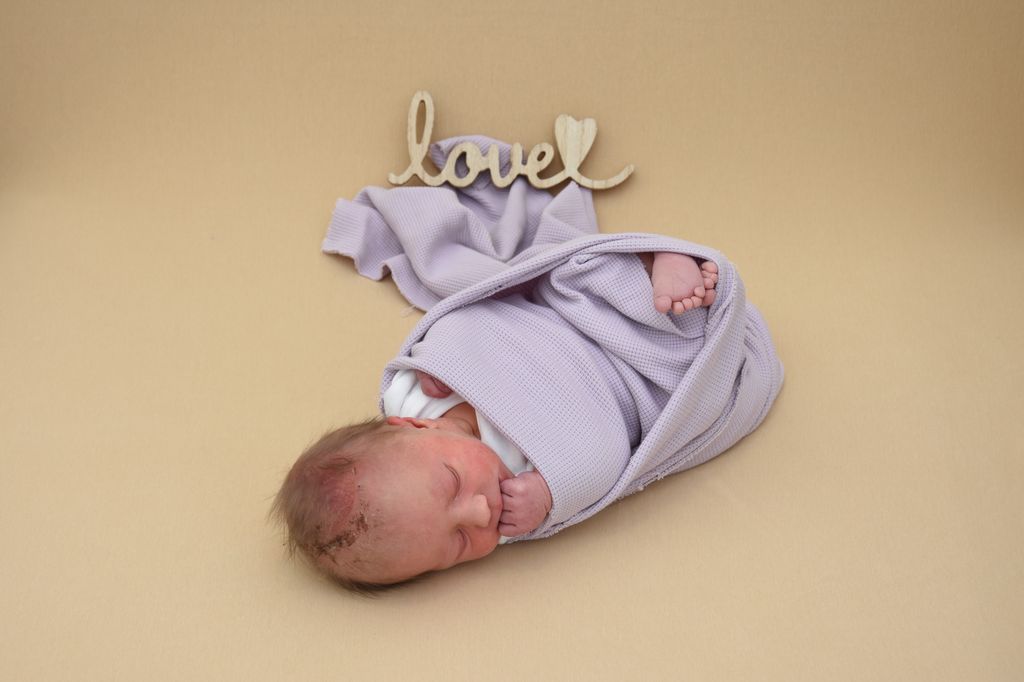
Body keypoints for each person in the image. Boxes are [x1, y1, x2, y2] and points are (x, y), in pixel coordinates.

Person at [270, 252, 719, 591]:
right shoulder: (522, 493)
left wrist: (440, 359)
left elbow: (463, 322)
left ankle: (651, 261)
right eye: (460, 543)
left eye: (452, 484)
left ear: (417, 427)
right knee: (688, 380)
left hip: (561, 318)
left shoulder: (410, 396)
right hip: (619, 377)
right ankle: (684, 315)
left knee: (583, 276)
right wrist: (552, 492)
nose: (482, 512)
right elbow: (605, 453)